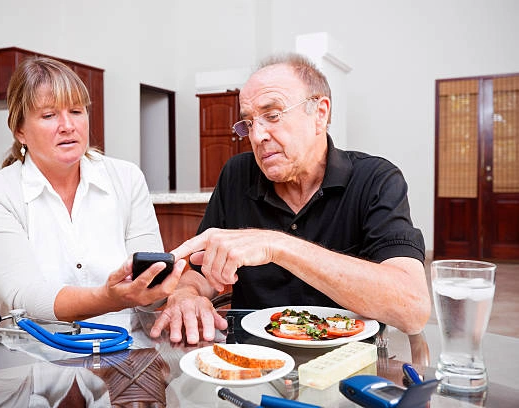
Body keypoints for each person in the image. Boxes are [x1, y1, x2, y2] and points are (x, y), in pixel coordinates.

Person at [151, 52, 430, 344]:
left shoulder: (375, 179)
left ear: (320, 114)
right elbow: (198, 272)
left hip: (347, 364)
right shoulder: (237, 175)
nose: (257, 136)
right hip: (255, 364)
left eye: (272, 115)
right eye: (248, 123)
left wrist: (277, 245)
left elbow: (412, 309)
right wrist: (187, 294)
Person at [0, 57, 186, 322]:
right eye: (49, 115)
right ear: (20, 131)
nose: (68, 126)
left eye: (76, 111)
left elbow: (150, 290)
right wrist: (109, 298)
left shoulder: (127, 178)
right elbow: (26, 298)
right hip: (32, 352)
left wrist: (177, 287)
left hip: (123, 347)